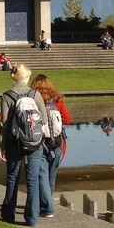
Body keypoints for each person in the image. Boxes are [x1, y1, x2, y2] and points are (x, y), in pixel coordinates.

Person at [0, 63, 50, 227]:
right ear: (26, 78)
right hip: (34, 143)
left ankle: (8, 214)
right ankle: (32, 218)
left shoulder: (7, 96)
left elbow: (4, 124)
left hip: (14, 142)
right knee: (32, 179)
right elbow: (44, 120)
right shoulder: (35, 94)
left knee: (12, 177)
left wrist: (1, 146)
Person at [30, 74, 72, 218]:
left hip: (39, 143)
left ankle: (47, 208)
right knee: (51, 176)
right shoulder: (58, 101)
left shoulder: (33, 101)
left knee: (41, 175)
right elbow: (67, 120)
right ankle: (47, 203)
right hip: (57, 144)